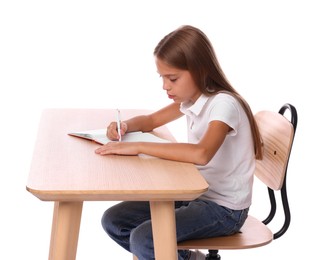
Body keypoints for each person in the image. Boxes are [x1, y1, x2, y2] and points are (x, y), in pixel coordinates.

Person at [95, 25, 263, 260]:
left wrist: (140, 146)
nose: (165, 86)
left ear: (199, 70)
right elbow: (152, 120)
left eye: (172, 78)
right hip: (195, 192)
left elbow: (201, 153)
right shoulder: (193, 98)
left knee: (145, 238)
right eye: (162, 77)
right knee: (114, 220)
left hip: (225, 209)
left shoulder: (223, 104)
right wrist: (125, 126)